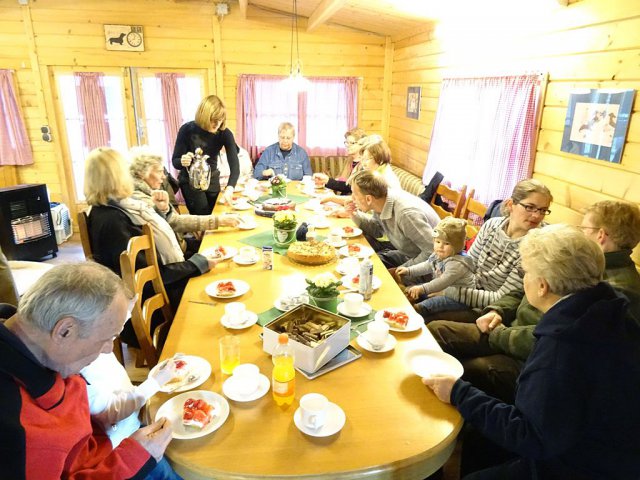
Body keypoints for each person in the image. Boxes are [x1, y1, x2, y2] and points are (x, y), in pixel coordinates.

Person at [423, 225, 640, 479]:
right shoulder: (608, 309)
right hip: (602, 441)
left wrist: (458, 392)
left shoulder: (563, 347)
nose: (523, 278)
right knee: (480, 437)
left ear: (542, 286)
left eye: (525, 272)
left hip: (587, 463)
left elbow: (533, 436)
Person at [427, 199, 640, 403]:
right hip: (506, 329)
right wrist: (498, 310)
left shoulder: (616, 291)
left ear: (601, 235)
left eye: (584, 228)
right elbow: (523, 289)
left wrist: (499, 334)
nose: (580, 233)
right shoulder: (580, 260)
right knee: (437, 331)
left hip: (530, 356)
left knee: (466, 369)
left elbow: (555, 337)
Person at [0, 262, 175, 479]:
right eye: (107, 339)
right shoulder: (19, 433)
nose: (108, 350)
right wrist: (131, 460)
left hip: (107, 450)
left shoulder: (35, 348)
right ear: (65, 331)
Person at [85, 147, 220, 315]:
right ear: (118, 176)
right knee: (220, 295)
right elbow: (148, 279)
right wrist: (196, 264)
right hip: (152, 303)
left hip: (162, 284)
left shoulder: (116, 209)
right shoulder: (114, 221)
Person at [421, 178, 552, 322]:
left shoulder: (535, 247)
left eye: (543, 210)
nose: (537, 216)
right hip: (464, 287)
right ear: (511, 205)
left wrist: (449, 292)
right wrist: (444, 283)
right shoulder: (491, 225)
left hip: (485, 308)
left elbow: (501, 298)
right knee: (418, 292)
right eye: (530, 207)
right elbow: (467, 265)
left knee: (424, 313)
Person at [129, 146, 240, 257]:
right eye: (159, 172)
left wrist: (193, 228)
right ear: (141, 173)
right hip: (177, 256)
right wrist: (219, 221)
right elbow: (175, 222)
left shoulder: (149, 191)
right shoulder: (141, 200)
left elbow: (171, 220)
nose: (163, 177)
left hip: (180, 245)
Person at [349, 170, 439, 271]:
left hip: (432, 267)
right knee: (366, 265)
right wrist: (354, 214)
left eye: (354, 194)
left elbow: (433, 252)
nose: (352, 198)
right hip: (409, 254)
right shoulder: (382, 200)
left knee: (373, 272)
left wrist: (403, 270)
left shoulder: (406, 215)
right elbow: (378, 230)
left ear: (369, 199)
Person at [172, 95, 239, 214]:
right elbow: (175, 162)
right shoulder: (187, 129)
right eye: (213, 120)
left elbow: (235, 167)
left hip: (212, 180)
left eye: (220, 120)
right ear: (204, 116)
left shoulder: (225, 133)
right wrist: (183, 161)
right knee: (203, 216)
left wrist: (230, 188)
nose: (217, 124)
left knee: (215, 215)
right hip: (191, 181)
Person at [396, 217, 475, 315]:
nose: (440, 247)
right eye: (437, 242)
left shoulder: (457, 264)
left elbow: (441, 282)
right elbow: (427, 265)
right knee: (410, 291)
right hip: (443, 289)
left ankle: (416, 314)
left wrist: (422, 289)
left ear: (457, 246)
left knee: (427, 305)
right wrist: (409, 270)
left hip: (459, 298)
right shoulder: (439, 254)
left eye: (446, 243)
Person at [312, 127, 367, 195]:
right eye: (347, 142)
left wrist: (328, 181)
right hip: (344, 197)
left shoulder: (365, 163)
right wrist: (324, 182)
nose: (348, 146)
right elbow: (341, 180)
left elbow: (351, 187)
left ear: (362, 145)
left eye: (352, 143)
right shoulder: (349, 159)